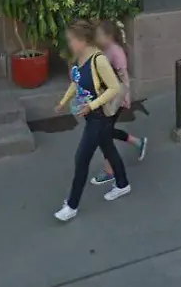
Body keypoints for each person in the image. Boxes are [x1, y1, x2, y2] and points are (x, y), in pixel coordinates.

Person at [53, 20, 130, 221]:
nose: (70, 44)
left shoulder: (99, 59)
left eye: (72, 40)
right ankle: (122, 184)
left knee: (81, 159)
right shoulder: (80, 58)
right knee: (108, 148)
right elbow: (76, 82)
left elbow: (114, 87)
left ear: (83, 40)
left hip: (99, 117)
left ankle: (72, 205)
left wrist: (92, 105)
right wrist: (63, 102)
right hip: (91, 115)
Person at [90, 20, 147, 186]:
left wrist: (125, 97)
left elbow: (123, 77)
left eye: (99, 35)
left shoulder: (116, 52)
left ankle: (110, 171)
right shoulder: (104, 49)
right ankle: (137, 143)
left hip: (116, 99)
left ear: (109, 36)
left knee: (103, 134)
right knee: (105, 132)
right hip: (107, 97)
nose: (97, 37)